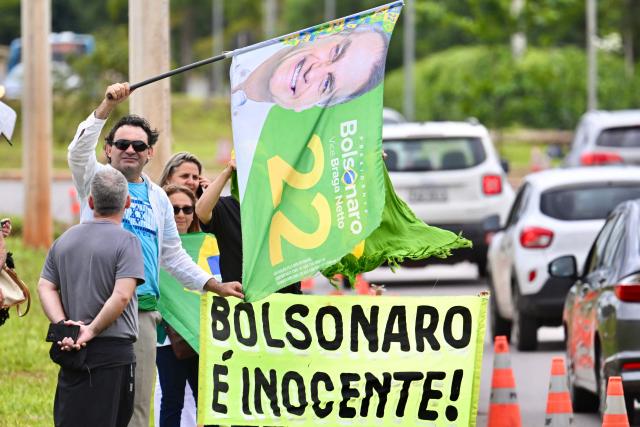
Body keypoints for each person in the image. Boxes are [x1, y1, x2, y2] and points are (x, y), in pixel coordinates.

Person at [67, 83, 244, 427]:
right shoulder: (97, 181)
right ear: (108, 149)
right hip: (94, 311)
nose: (130, 150)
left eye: (139, 145)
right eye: (122, 144)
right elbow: (76, 152)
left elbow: (174, 257)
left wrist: (214, 285)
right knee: (95, 402)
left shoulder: (159, 199)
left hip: (143, 314)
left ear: (150, 153)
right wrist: (105, 106)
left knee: (137, 407)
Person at [37, 168, 146, 427]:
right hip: (112, 351)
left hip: (72, 350)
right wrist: (92, 330)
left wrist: (65, 325)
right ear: (127, 202)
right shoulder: (128, 242)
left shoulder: (64, 240)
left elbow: (45, 285)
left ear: (91, 201)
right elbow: (121, 296)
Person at [196, 159, 301, 294]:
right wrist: (226, 173)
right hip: (241, 301)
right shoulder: (227, 206)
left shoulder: (287, 207)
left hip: (286, 300)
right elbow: (201, 211)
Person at [231, 24, 390, 112]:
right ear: (326, 35)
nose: (313, 72)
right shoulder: (245, 55)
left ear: (315, 105)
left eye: (327, 84)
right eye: (336, 52)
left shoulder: (254, 151)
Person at [155, 184, 200, 427]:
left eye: (187, 209)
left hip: (201, 335)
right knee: (172, 401)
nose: (181, 215)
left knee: (208, 402)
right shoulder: (152, 244)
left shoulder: (208, 243)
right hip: (166, 338)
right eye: (174, 209)